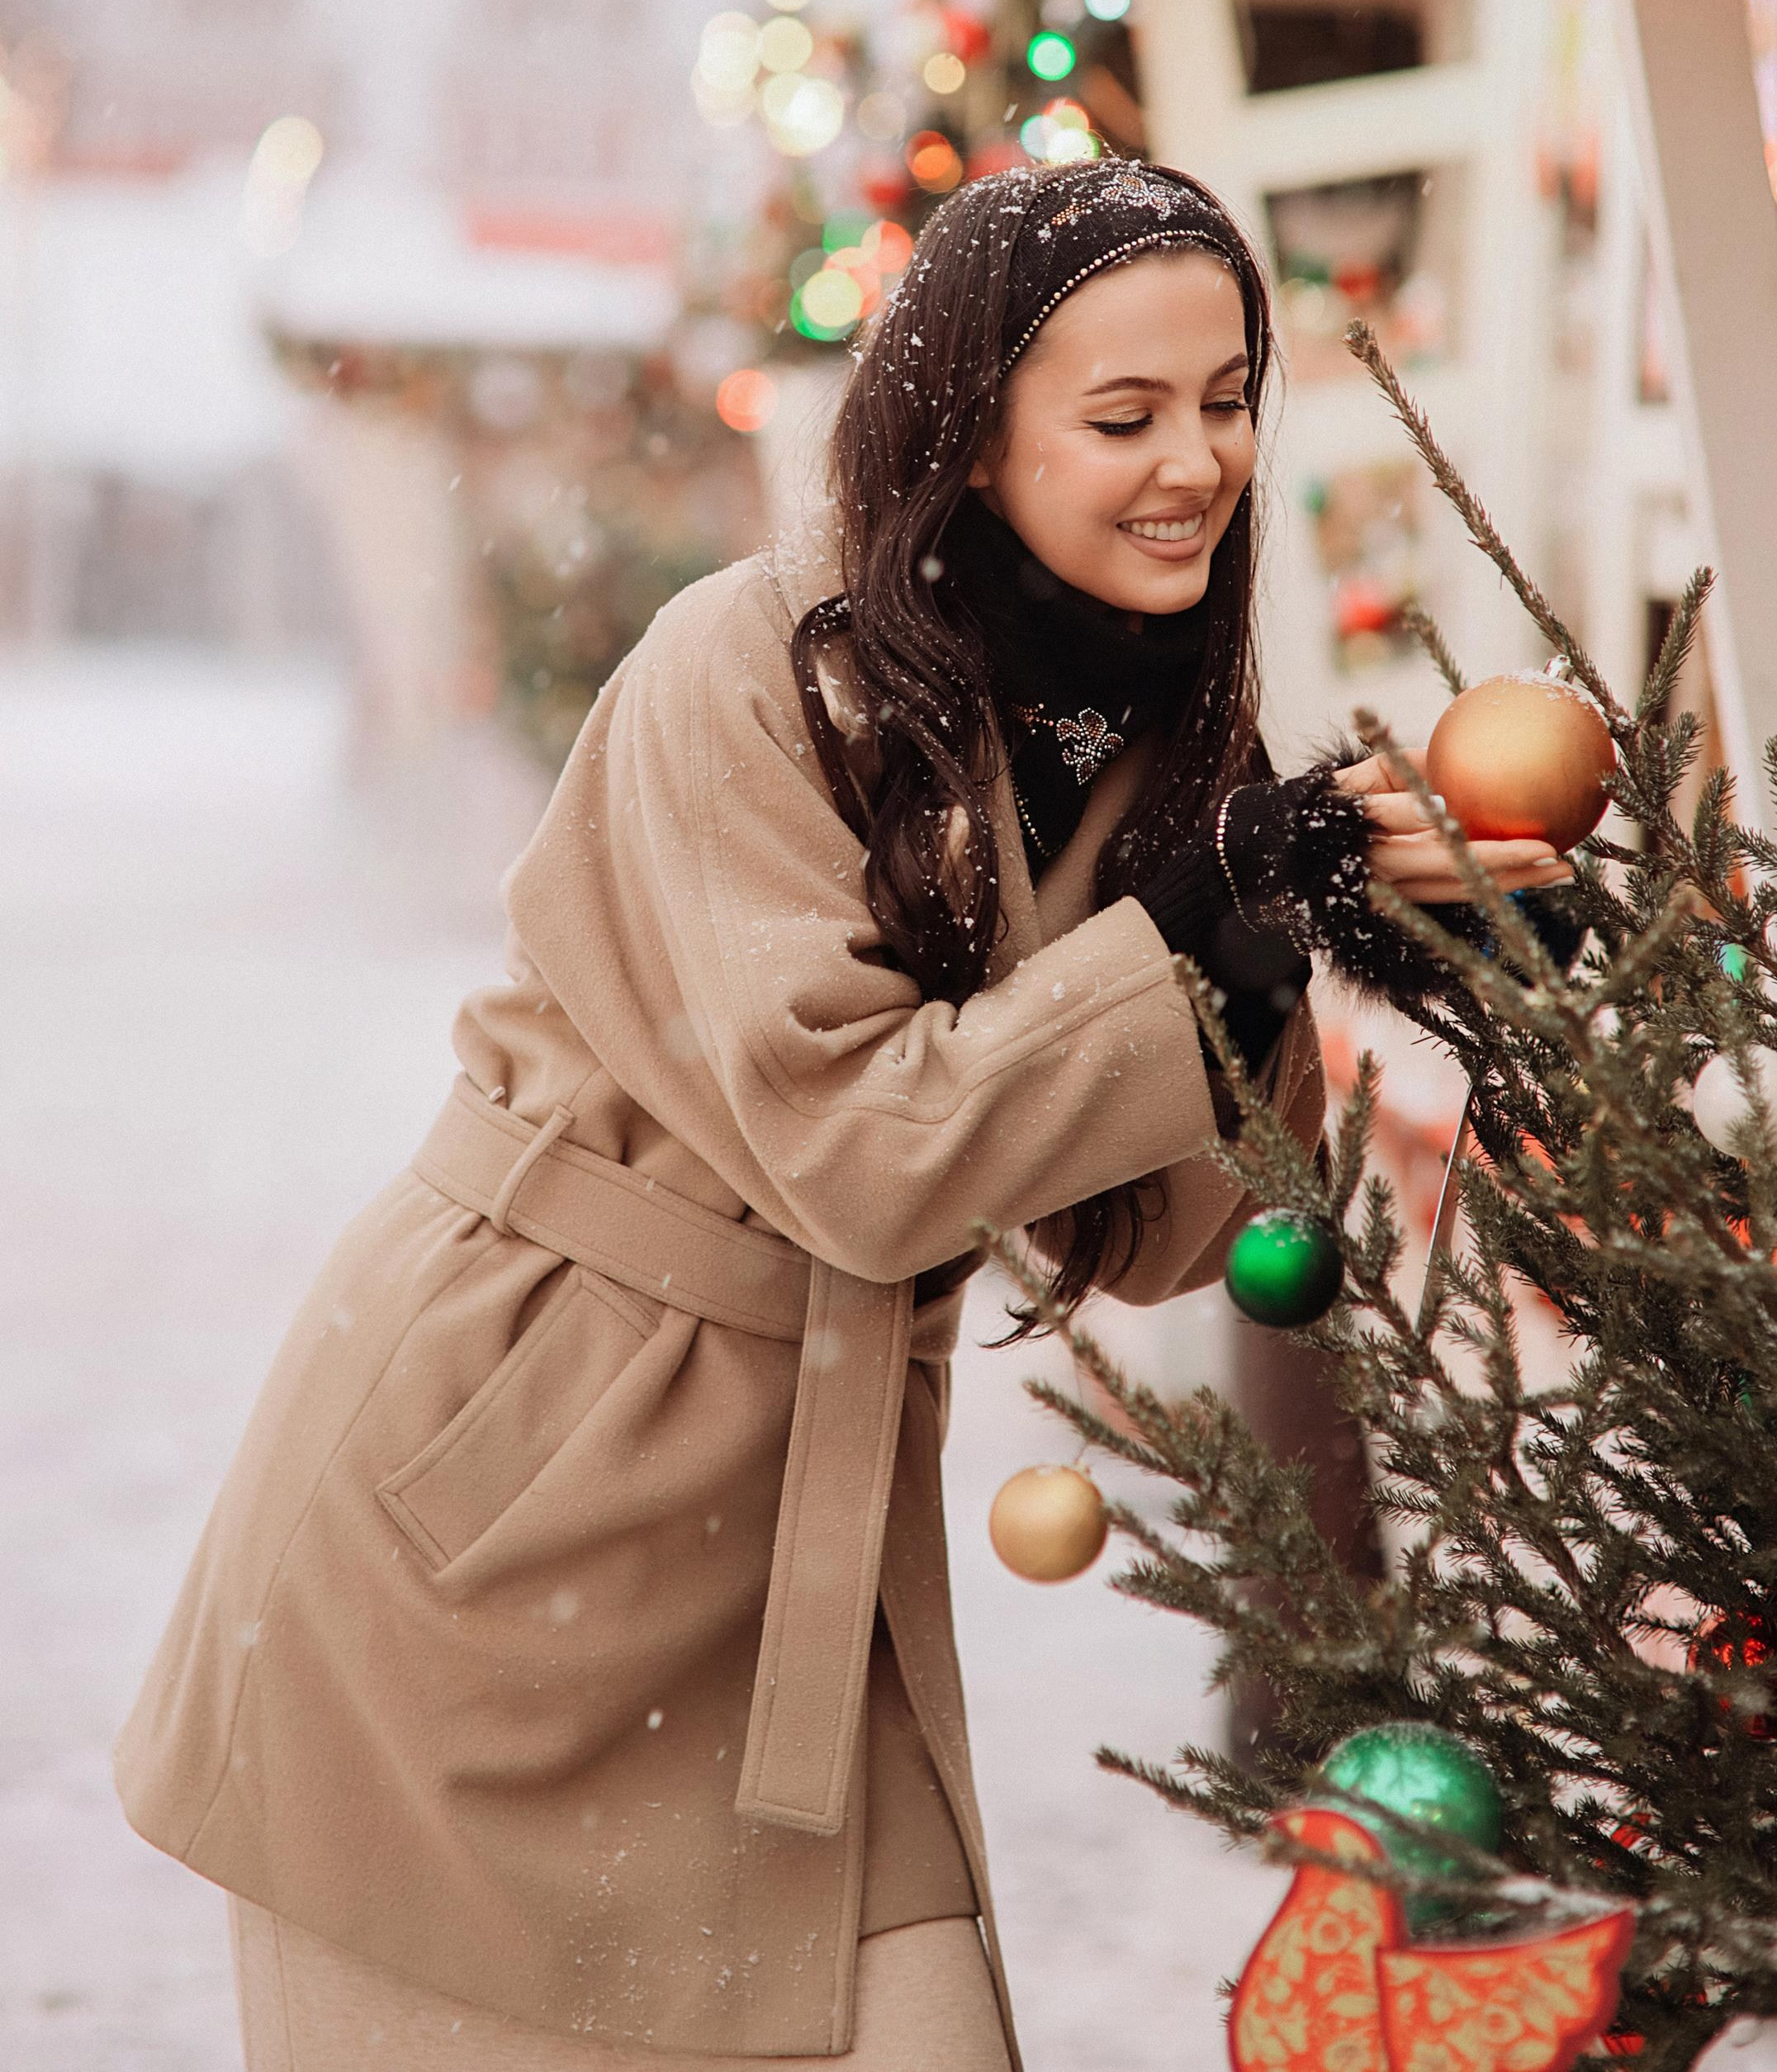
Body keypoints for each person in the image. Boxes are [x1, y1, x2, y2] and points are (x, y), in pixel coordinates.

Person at [116, 158, 1567, 2072]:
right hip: (504, 1503)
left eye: (1226, 400)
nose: (1193, 463)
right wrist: (1188, 911)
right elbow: (869, 1156)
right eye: (1122, 414)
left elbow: (1142, 1240)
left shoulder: (1138, 724)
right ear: (967, 439)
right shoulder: (749, 663)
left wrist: (1286, 939)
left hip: (795, 1559)